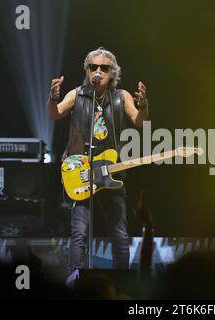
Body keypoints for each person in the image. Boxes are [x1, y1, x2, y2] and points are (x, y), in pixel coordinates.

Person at [46, 47, 149, 284]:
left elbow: (138, 121)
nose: (98, 72)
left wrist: (143, 105)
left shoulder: (121, 96)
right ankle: (74, 279)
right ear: (87, 70)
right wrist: (53, 97)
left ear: (112, 73)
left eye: (104, 68)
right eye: (93, 67)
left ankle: (122, 281)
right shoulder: (77, 94)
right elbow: (55, 113)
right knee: (80, 232)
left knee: (120, 234)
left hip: (111, 172)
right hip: (83, 172)